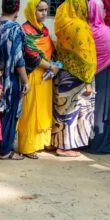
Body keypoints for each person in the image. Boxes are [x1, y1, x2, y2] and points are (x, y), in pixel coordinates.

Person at [52, 0, 96, 157]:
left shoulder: (62, 23)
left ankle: (58, 142)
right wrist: (88, 80)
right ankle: (64, 147)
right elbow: (87, 56)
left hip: (63, 73)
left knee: (62, 110)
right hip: (78, 77)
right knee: (73, 111)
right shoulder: (80, 26)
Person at [0, 0, 30, 160]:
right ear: (17, 9)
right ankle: (5, 150)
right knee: (9, 112)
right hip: (9, 79)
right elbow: (19, 59)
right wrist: (25, 81)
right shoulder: (15, 29)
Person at [17, 0, 59, 159]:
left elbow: (49, 51)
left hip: (46, 77)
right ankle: (27, 146)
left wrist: (53, 66)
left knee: (42, 109)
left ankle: (41, 142)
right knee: (30, 110)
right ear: (31, 11)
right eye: (40, 10)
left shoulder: (45, 30)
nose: (44, 13)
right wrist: (49, 66)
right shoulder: (25, 30)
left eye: (46, 10)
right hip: (33, 74)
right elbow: (29, 54)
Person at [85, 0, 110, 154]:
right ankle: (100, 144)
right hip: (103, 76)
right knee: (101, 110)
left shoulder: (84, 30)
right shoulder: (106, 32)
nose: (106, 13)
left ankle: (86, 141)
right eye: (104, 10)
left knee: (88, 110)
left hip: (86, 77)